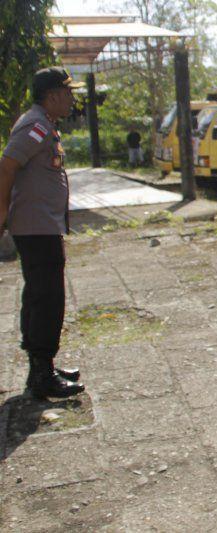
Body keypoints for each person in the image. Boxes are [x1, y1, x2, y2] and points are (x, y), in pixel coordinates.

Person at [0, 67, 85, 399]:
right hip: (35, 227)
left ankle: (42, 364)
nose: (72, 98)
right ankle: (41, 375)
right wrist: (2, 212)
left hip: (41, 225)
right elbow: (7, 166)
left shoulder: (43, 123)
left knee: (41, 293)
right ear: (52, 95)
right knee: (47, 297)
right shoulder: (35, 127)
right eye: (68, 92)